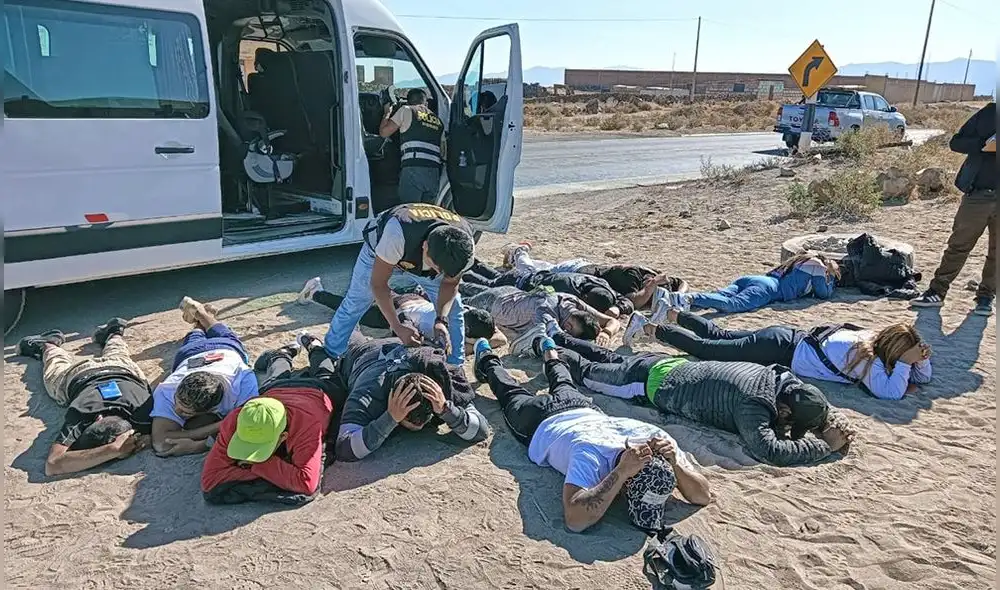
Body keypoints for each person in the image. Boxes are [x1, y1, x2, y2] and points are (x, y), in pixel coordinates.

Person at [472, 338, 711, 533]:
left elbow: (703, 495)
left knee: (563, 381)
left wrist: (676, 464)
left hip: (583, 408)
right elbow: (575, 520)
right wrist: (620, 473)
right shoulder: (589, 453)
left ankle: (549, 351)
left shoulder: (657, 438)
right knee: (509, 393)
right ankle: (487, 357)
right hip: (539, 421)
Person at [529, 322, 851, 467]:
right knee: (588, 373)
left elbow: (805, 401)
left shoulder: (779, 376)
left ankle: (560, 335)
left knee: (612, 358)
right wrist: (826, 445)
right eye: (792, 423)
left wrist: (826, 421)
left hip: (670, 365)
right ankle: (546, 346)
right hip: (650, 385)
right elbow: (770, 451)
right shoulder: (753, 405)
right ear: (784, 411)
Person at [623, 310, 932, 401]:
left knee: (719, 337)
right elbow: (890, 392)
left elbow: (923, 377)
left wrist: (921, 359)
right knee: (708, 349)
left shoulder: (872, 339)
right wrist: (907, 363)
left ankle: (673, 313)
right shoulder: (866, 359)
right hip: (779, 348)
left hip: (785, 337)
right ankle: (649, 328)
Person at [324, 202, 476, 365]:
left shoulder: (463, 248)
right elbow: (378, 285)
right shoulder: (395, 234)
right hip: (381, 252)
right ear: (425, 247)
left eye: (445, 272)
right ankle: (332, 352)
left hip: (417, 253)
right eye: (437, 268)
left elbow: (450, 284)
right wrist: (397, 327)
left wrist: (440, 320)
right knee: (356, 301)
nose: (440, 273)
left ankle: (455, 363)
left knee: (455, 306)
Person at [201, 334, 343, 506]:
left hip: (318, 391)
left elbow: (306, 483)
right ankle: (283, 354)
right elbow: (210, 480)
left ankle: (315, 348)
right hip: (275, 391)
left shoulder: (307, 426)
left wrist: (254, 465)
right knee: (276, 378)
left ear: (283, 436)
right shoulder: (235, 419)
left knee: (325, 373)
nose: (251, 456)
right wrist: (270, 468)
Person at [17, 318, 153, 476]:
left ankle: (114, 334)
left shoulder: (144, 415)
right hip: (81, 375)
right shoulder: (82, 413)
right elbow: (52, 465)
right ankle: (48, 345)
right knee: (56, 367)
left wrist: (115, 449)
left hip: (120, 369)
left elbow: (53, 464)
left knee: (118, 353)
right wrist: (113, 450)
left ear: (98, 418)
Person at [334, 331, 490, 462]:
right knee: (348, 336)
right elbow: (344, 448)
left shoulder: (439, 377)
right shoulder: (369, 391)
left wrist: (446, 410)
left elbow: (482, 431)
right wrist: (389, 419)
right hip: (364, 355)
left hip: (400, 345)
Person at [911, 102, 996, 316]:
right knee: (958, 246)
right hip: (978, 195)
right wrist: (984, 145)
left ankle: (986, 298)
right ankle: (937, 292)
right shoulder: (990, 112)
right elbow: (956, 143)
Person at [150, 297, 258, 457]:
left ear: (211, 409)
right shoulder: (168, 390)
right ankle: (202, 315)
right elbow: (161, 443)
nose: (175, 409)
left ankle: (201, 317)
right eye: (177, 402)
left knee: (207, 335)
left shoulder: (242, 378)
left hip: (208, 351)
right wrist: (224, 424)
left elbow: (251, 425)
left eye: (185, 412)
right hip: (209, 351)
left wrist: (197, 446)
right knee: (216, 334)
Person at [298, 278, 505, 354]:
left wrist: (468, 346)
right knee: (358, 310)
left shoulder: (468, 314)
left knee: (365, 305)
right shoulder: (444, 325)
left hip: (415, 299)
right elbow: (405, 325)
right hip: (402, 307)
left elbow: (501, 338)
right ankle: (315, 292)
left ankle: (318, 292)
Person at [502, 242, 689, 310]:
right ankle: (519, 251)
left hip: (581, 268)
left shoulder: (650, 276)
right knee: (532, 274)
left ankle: (518, 256)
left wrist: (678, 295)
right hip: (576, 273)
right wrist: (651, 286)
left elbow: (683, 282)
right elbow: (635, 302)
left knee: (547, 269)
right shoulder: (631, 277)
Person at [458, 283, 621, 354]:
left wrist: (606, 332)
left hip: (510, 294)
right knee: (457, 296)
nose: (566, 331)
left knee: (463, 285)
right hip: (492, 304)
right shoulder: (546, 314)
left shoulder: (570, 300)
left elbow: (612, 321)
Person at [671, 254, 838, 316]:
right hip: (770, 289)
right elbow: (823, 293)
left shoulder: (802, 259)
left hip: (756, 279)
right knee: (733, 305)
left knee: (722, 295)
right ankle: (688, 298)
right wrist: (831, 277)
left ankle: (680, 302)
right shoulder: (817, 266)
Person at [463, 259, 632, 317]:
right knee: (489, 284)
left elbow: (625, 301)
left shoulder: (599, 284)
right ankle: (462, 270)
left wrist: (618, 308)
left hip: (525, 275)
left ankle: (471, 261)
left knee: (493, 275)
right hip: (519, 283)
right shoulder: (570, 292)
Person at [380, 88, 444, 204]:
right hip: (434, 173)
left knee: (410, 210)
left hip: (413, 170)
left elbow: (384, 132)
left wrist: (387, 112)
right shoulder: (438, 120)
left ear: (408, 102)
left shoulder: (406, 110)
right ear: (426, 103)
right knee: (427, 212)